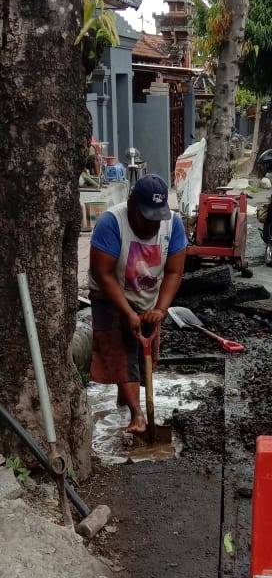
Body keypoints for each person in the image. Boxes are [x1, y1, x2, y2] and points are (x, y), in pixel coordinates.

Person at [88, 173, 187, 434]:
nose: (152, 225)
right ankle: (137, 416)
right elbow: (103, 274)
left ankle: (125, 400)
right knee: (121, 355)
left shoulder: (173, 225)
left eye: (157, 217)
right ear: (131, 202)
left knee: (141, 358)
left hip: (146, 299)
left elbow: (175, 272)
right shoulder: (112, 223)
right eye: (146, 217)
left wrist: (160, 310)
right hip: (109, 297)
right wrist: (127, 312)